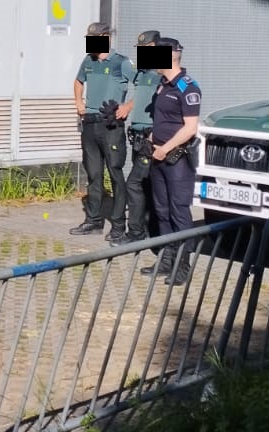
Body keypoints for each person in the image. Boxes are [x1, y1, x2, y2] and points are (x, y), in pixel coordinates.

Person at [140, 37, 201, 285]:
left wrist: (165, 147)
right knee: (161, 212)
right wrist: (152, 139)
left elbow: (190, 128)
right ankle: (166, 260)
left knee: (179, 213)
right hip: (158, 156)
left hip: (177, 159)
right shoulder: (162, 85)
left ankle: (182, 266)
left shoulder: (188, 87)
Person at [72, 22, 135, 239]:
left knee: (115, 174)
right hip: (89, 124)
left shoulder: (122, 62)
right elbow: (79, 81)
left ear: (106, 37)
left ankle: (119, 225)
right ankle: (93, 221)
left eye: (96, 37)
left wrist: (127, 107)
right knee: (93, 175)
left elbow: (147, 85)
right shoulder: (88, 60)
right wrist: (78, 101)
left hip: (110, 126)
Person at [118, 30, 163, 246]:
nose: (142, 53)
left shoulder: (163, 75)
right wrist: (127, 106)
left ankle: (136, 233)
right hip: (138, 136)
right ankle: (149, 230)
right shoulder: (144, 72)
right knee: (145, 185)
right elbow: (142, 98)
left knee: (134, 184)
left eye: (146, 49)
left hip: (151, 138)